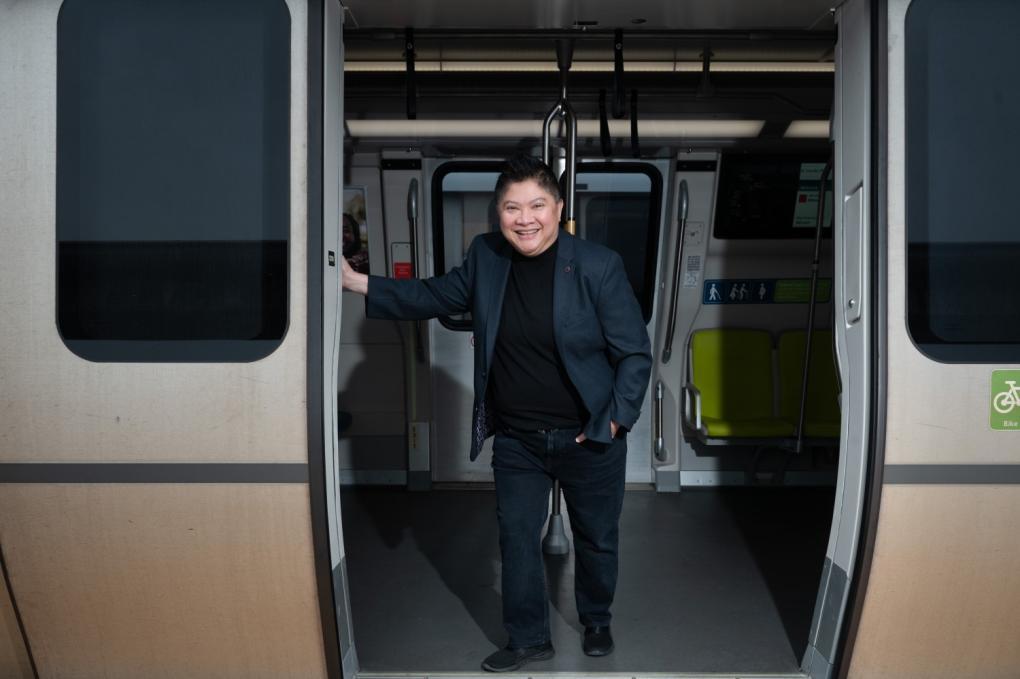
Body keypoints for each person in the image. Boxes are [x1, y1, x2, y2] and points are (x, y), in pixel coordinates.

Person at [341, 154, 651, 672]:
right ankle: (528, 638)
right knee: (516, 539)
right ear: (497, 213)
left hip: (589, 436)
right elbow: (436, 293)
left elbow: (634, 355)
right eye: (511, 207)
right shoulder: (487, 256)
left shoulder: (598, 265)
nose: (524, 218)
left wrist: (614, 421)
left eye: (536, 205)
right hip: (518, 439)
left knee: (597, 538)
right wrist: (358, 283)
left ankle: (597, 619)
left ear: (557, 208)